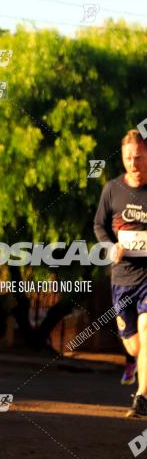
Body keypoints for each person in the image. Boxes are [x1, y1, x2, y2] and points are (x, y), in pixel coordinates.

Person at [94, 129, 147, 417]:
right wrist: (111, 247)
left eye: (138, 158)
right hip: (122, 279)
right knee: (135, 345)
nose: (133, 164)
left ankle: (142, 397)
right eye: (128, 159)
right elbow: (99, 226)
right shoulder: (112, 190)